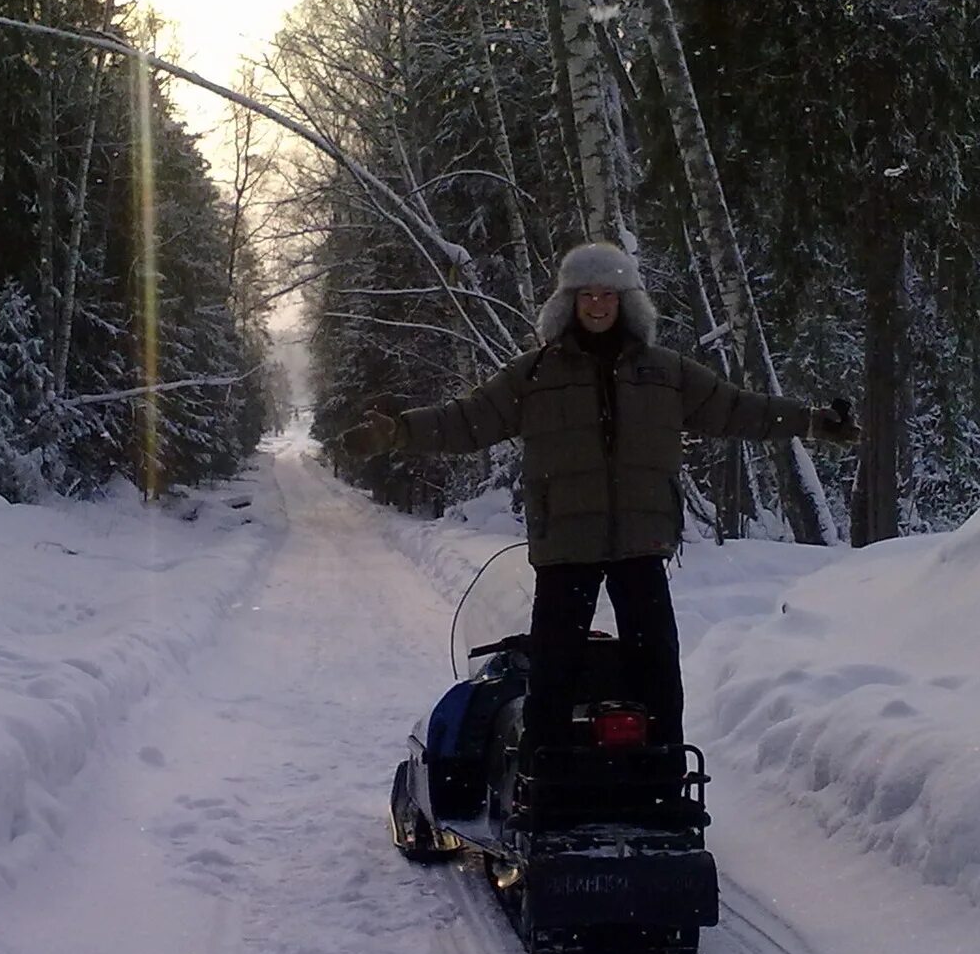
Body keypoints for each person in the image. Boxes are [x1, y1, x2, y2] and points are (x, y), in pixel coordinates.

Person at [339, 242, 857, 749]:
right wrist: (398, 432)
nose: (597, 305)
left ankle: (662, 772)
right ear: (568, 303)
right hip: (566, 542)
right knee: (554, 668)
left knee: (655, 663)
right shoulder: (536, 374)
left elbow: (740, 409)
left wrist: (812, 422)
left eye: (608, 294)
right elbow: (468, 419)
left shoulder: (665, 372)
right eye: (586, 294)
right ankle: (548, 777)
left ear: (626, 301)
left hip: (642, 542)